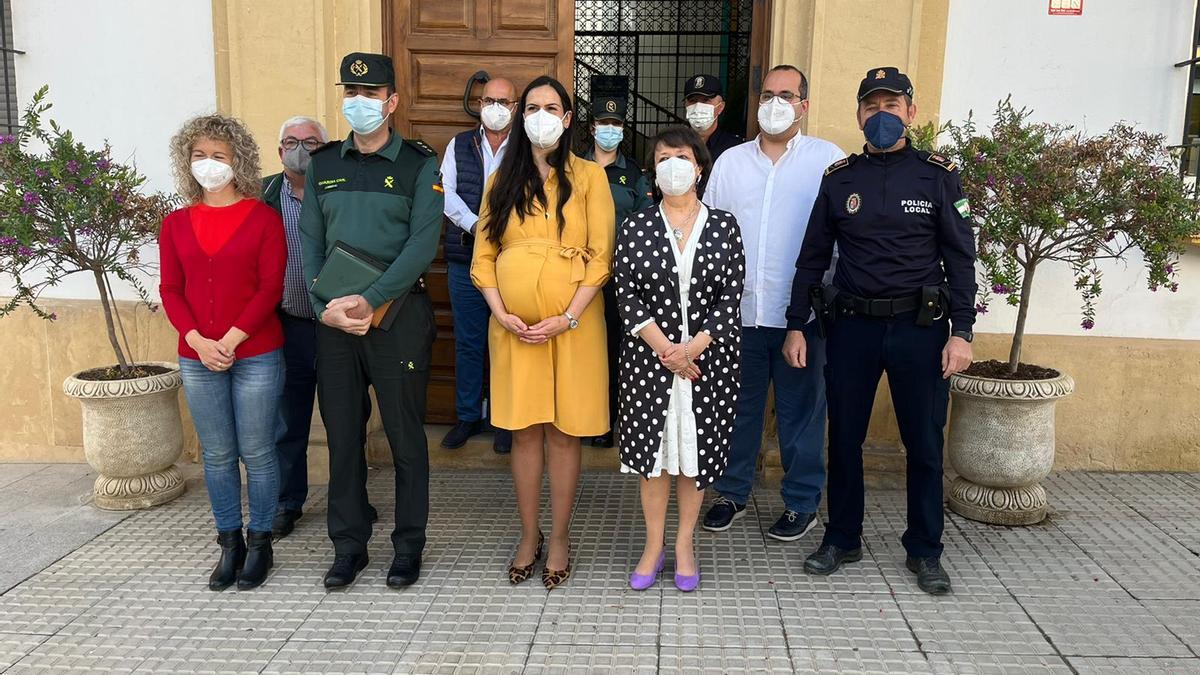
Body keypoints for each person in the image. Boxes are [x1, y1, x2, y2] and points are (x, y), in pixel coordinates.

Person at [783, 67, 976, 595]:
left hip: (920, 329)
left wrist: (963, 333)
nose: (882, 116)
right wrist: (796, 325)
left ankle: (925, 550)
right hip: (852, 328)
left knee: (924, 444)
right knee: (844, 437)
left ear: (911, 113)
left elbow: (962, 259)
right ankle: (843, 537)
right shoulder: (840, 178)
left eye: (893, 106)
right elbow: (812, 258)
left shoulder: (938, 175)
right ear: (859, 115)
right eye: (872, 107)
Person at [299, 52, 443, 590]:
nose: (359, 103)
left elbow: (421, 246)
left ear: (392, 102)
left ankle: (408, 546)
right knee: (342, 438)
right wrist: (326, 307)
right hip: (334, 322)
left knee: (406, 438)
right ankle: (349, 546)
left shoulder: (417, 165)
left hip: (398, 319)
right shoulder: (324, 164)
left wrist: (371, 301)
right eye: (351, 93)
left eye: (371, 94)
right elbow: (311, 243)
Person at [471, 75, 615, 590]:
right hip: (513, 328)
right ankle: (529, 534)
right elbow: (483, 257)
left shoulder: (590, 178)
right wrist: (501, 310)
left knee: (564, 431)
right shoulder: (499, 180)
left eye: (551, 107)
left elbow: (601, 257)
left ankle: (559, 537)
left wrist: (569, 315)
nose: (540, 115)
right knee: (525, 430)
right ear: (519, 115)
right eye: (531, 107)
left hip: (574, 326)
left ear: (569, 117)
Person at [701, 65, 845, 541]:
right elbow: (711, 237)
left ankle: (802, 502)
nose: (776, 103)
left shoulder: (829, 161)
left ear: (804, 104)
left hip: (800, 317)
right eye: (767, 94)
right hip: (737, 315)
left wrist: (820, 308)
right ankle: (731, 492)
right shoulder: (731, 163)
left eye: (787, 94)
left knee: (801, 413)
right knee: (735, 410)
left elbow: (842, 241)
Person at [615, 126, 744, 592]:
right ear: (654, 169)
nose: (673, 164)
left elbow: (732, 294)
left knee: (692, 456)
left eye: (682, 156)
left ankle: (685, 543)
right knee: (655, 458)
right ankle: (654, 544)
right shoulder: (637, 225)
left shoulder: (724, 226)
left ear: (699, 166)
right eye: (664, 156)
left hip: (709, 362)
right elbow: (625, 292)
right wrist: (665, 350)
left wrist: (691, 349)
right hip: (649, 362)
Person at [160, 114, 286, 591]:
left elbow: (269, 287)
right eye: (199, 156)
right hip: (197, 356)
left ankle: (260, 543)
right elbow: (171, 288)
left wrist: (230, 340)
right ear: (186, 162)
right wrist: (196, 340)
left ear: (239, 162)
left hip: (255, 352)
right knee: (216, 453)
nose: (208, 165)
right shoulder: (175, 223)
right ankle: (228, 543)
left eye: (218, 156)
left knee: (256, 450)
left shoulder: (262, 218)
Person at [439, 77, 519, 455]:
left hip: (513, 263)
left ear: (515, 107)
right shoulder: (459, 145)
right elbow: (446, 192)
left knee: (507, 342)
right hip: (465, 258)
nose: (496, 106)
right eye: (489, 100)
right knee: (469, 342)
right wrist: (476, 224)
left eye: (504, 101)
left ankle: (504, 420)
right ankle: (468, 416)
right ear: (479, 103)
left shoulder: (526, 147)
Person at [261, 116, 329, 538]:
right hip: (288, 325)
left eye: (310, 142)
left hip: (336, 325)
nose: (300, 148)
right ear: (279, 150)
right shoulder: (262, 195)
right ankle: (288, 502)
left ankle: (350, 498)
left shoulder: (339, 191)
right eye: (291, 141)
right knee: (289, 422)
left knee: (346, 419)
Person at [579, 93, 654, 448]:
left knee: (614, 349)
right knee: (581, 349)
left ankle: (608, 422)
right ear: (591, 126)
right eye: (603, 123)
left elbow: (645, 224)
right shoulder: (573, 167)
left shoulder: (634, 175)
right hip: (577, 277)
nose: (609, 129)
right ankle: (577, 419)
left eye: (616, 124)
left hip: (619, 277)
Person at [682, 73, 744, 163]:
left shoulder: (734, 148)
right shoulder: (675, 145)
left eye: (706, 100)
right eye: (693, 101)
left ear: (721, 107)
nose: (698, 106)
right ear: (685, 105)